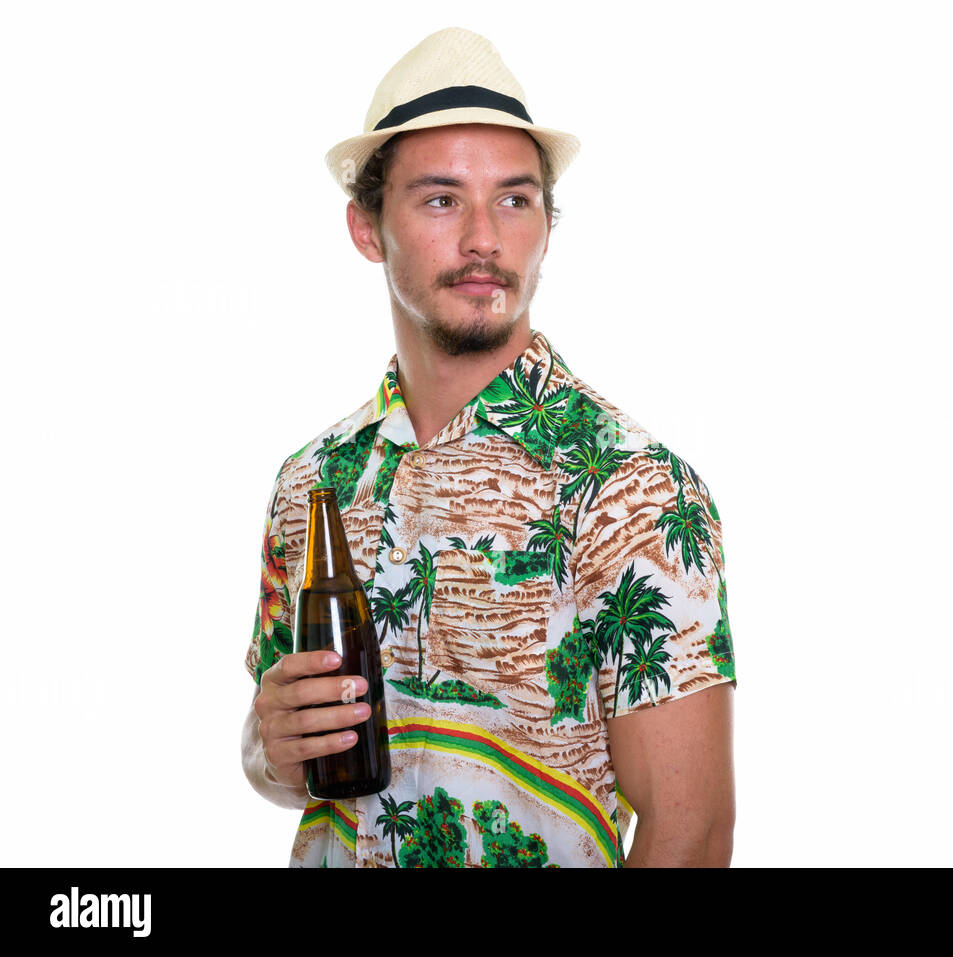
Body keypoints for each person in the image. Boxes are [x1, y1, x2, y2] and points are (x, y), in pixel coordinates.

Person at [240, 27, 736, 868]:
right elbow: (277, 755)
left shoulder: (632, 487)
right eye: (441, 200)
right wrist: (270, 747)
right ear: (366, 226)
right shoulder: (313, 480)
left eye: (514, 199)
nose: (484, 237)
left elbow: (691, 833)